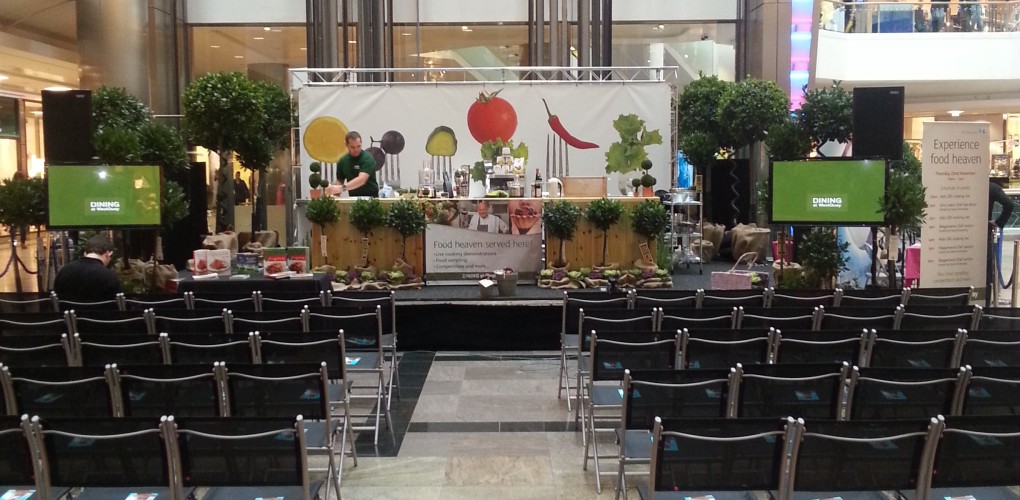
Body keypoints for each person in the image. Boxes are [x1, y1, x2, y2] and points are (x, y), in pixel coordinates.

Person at [53, 234, 123, 303]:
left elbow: (56, 300)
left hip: (69, 313)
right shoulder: (109, 276)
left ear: (85, 253)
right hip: (100, 314)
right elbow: (117, 305)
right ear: (108, 253)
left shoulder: (64, 271)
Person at [988, 180, 1016, 305]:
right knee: (986, 270)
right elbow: (1009, 204)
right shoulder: (992, 187)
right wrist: (999, 223)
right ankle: (985, 302)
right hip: (983, 232)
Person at [325, 131, 378, 197]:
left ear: (361, 143)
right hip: (353, 198)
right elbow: (340, 180)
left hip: (371, 198)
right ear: (347, 145)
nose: (356, 150)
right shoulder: (343, 161)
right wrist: (334, 193)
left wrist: (341, 188)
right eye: (353, 147)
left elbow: (362, 180)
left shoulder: (367, 158)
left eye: (358, 146)